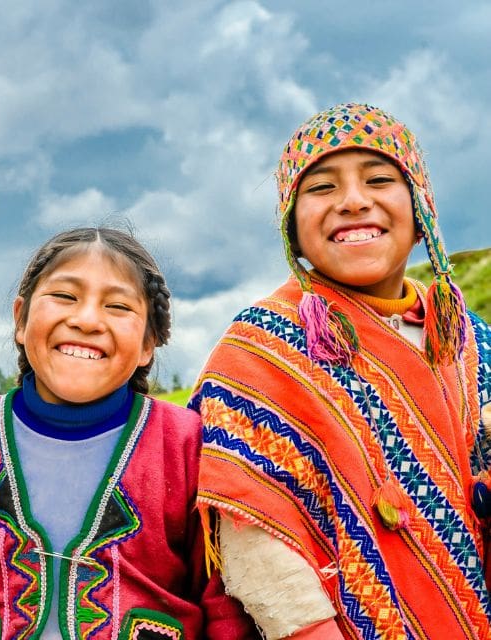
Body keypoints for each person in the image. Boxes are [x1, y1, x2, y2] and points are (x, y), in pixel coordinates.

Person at [0, 227, 255, 639]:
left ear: (149, 343)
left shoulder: (186, 446)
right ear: (20, 319)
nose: (86, 320)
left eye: (117, 306)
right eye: (64, 296)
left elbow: (224, 605)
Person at [193, 102, 491, 639]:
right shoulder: (258, 353)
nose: (353, 201)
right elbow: (255, 537)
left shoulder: (467, 341)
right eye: (322, 188)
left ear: (422, 213)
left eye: (379, 179)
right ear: (293, 228)